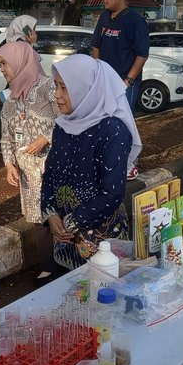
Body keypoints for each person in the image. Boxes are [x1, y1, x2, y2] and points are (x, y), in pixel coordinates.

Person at [41, 54, 142, 271]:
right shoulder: (63, 126)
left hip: (101, 242)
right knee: (70, 296)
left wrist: (70, 222)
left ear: (86, 90)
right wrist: (50, 214)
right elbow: (49, 174)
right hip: (65, 238)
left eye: (64, 88)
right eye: (56, 86)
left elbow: (112, 193)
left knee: (102, 293)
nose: (57, 95)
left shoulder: (113, 131)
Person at [0, 41, 59, 285]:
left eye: (5, 63)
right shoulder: (11, 98)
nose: (2, 68)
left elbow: (69, 119)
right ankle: (48, 266)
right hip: (28, 173)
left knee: (59, 215)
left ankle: (66, 261)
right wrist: (9, 163)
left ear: (21, 61)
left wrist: (45, 138)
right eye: (0, 64)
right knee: (37, 220)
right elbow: (6, 137)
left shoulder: (48, 87)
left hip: (52, 167)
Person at [91, 0, 150, 181]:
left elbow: (142, 54)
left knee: (124, 123)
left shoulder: (135, 20)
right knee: (105, 122)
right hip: (104, 82)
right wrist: (98, 73)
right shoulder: (104, 17)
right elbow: (96, 46)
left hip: (125, 83)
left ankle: (128, 163)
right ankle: (109, 160)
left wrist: (128, 81)